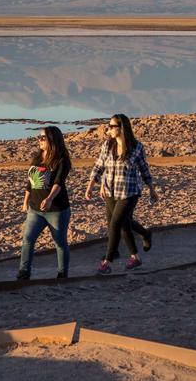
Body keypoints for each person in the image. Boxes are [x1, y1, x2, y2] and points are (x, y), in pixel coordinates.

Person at [85, 114, 158, 274]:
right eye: (108, 126)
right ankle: (139, 249)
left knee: (115, 224)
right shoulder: (107, 144)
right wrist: (91, 184)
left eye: (112, 127)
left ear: (121, 128)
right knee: (124, 224)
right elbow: (99, 165)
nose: (108, 129)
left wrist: (151, 188)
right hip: (110, 190)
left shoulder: (136, 147)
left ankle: (107, 262)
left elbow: (144, 168)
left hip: (129, 192)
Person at [17, 126, 72, 280]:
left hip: (56, 210)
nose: (39, 140)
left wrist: (49, 199)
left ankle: (62, 274)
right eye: (39, 137)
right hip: (35, 209)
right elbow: (31, 182)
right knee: (28, 239)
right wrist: (25, 201)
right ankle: (23, 272)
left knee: (60, 243)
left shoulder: (62, 160)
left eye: (43, 138)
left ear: (52, 140)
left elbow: (58, 182)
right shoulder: (37, 158)